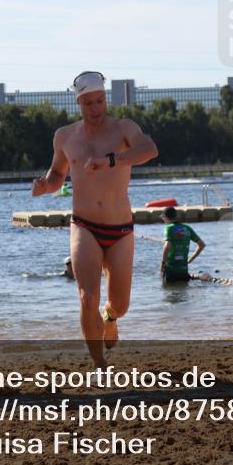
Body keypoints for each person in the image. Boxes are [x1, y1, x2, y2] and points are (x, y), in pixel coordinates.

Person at [32, 71, 158, 368]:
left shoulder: (124, 128)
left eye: (100, 100)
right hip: (84, 225)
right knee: (87, 298)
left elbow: (149, 150)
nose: (96, 108)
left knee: (120, 305)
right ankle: (101, 366)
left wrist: (111, 160)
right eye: (89, 103)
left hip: (121, 229)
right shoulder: (64, 136)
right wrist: (45, 186)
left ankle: (111, 319)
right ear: (78, 102)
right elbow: (57, 175)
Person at [160, 206, 205, 283]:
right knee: (183, 292)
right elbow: (202, 245)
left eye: (162, 217)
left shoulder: (168, 228)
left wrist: (163, 263)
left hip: (170, 271)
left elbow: (167, 246)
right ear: (175, 216)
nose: (163, 219)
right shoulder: (187, 228)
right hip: (183, 271)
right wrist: (190, 259)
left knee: (168, 292)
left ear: (166, 217)